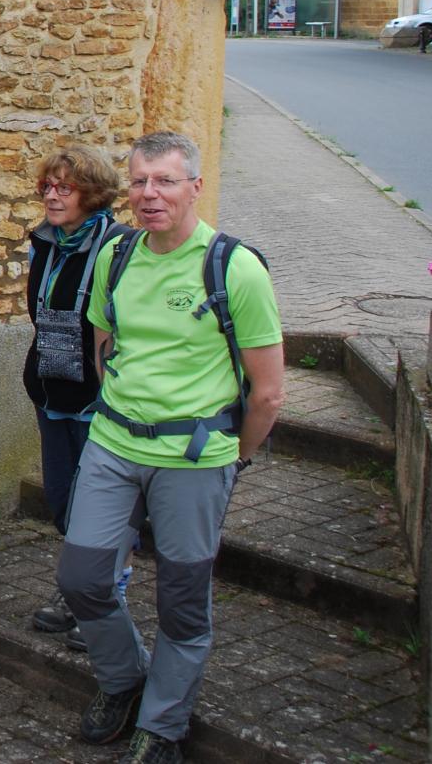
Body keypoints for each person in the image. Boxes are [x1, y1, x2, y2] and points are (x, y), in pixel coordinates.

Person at [57, 132, 284, 764]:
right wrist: (126, 412)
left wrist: (232, 458)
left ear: (195, 187)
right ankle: (126, 682)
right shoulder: (117, 255)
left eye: (165, 181)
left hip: (195, 460)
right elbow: (103, 345)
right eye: (139, 182)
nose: (149, 195)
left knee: (182, 601)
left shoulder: (234, 267)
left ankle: (162, 721)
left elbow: (267, 394)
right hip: (113, 445)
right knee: (82, 579)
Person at [21, 144, 126, 649]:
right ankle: (78, 591)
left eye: (66, 187)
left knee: (102, 509)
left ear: (93, 194)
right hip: (51, 391)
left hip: (97, 400)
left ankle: (103, 602)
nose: (52, 195)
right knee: (64, 504)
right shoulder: (45, 243)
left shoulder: (118, 248)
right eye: (48, 186)